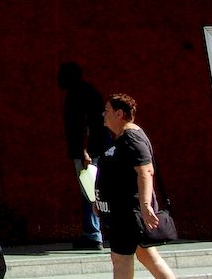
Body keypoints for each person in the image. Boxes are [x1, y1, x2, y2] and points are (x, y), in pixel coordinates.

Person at [95, 93, 177, 279]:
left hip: (130, 211)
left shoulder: (132, 138)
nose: (103, 115)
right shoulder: (121, 137)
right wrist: (99, 200)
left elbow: (146, 171)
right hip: (121, 211)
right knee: (146, 255)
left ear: (119, 114)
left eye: (107, 111)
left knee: (120, 258)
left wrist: (146, 206)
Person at [59, 62, 108, 249]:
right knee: (93, 190)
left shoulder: (77, 95)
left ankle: (93, 234)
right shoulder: (90, 92)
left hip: (87, 151)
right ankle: (94, 232)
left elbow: (83, 125)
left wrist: (84, 150)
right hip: (95, 148)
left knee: (89, 190)